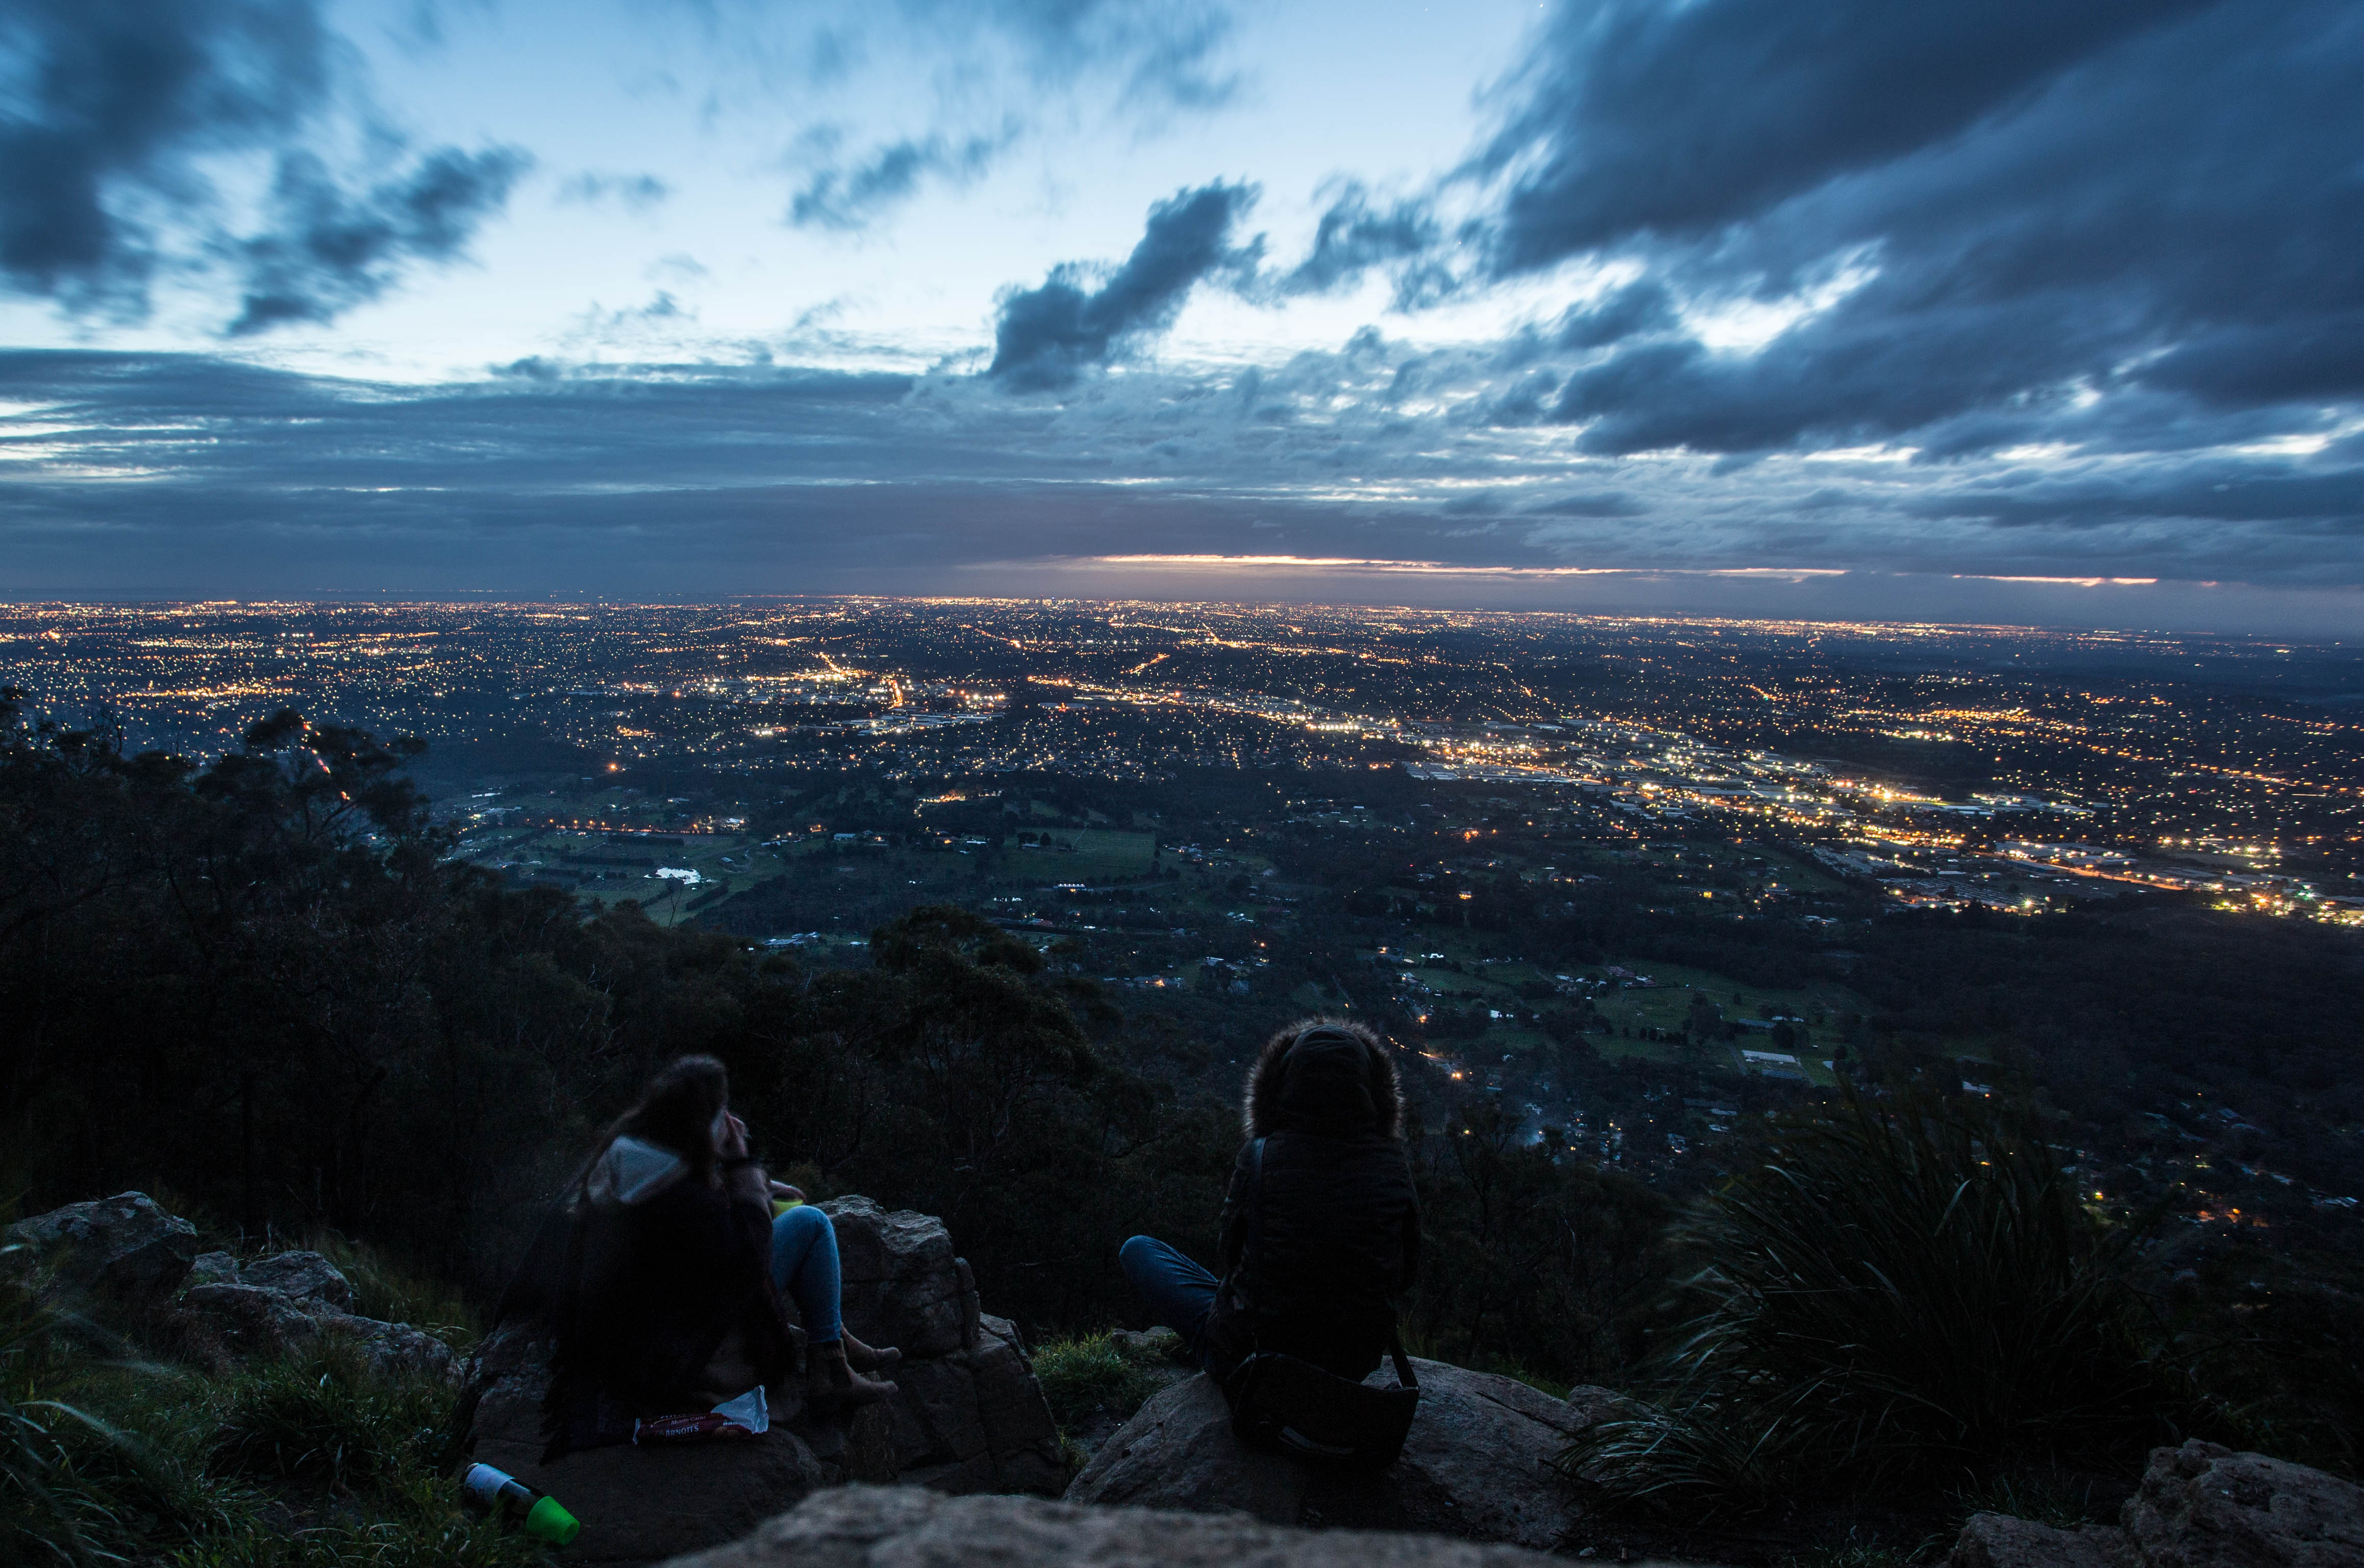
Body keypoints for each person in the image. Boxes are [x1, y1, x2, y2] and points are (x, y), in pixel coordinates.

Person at [501, 1055, 901, 1456]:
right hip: (673, 1352)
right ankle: (830, 1364)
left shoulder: (623, 1155)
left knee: (789, 1210)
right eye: (720, 1111)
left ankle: (835, 1341)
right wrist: (743, 1165)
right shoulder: (684, 1201)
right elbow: (747, 1264)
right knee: (811, 1223)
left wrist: (752, 1182)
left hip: (635, 1330)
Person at [1119, 1017, 1420, 1384]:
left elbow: (1229, 1253)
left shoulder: (1261, 1156)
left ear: (1282, 1085)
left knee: (1138, 1249)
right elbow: (1405, 1273)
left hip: (1252, 1360)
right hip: (1349, 1367)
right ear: (1372, 1090)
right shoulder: (1392, 1167)